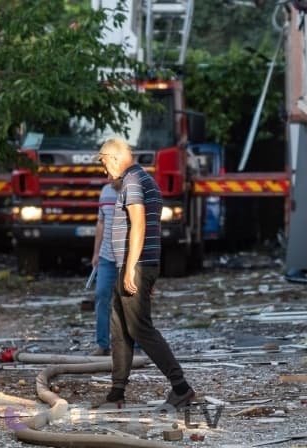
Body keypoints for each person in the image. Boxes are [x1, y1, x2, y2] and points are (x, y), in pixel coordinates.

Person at [95, 137, 195, 409]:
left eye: (104, 164)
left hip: (135, 266)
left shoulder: (133, 181)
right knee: (120, 330)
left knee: (140, 328)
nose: (105, 171)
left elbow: (139, 224)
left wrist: (132, 269)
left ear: (114, 157)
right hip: (135, 265)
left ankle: (181, 387)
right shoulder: (140, 179)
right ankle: (116, 393)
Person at [89, 180, 120, 356]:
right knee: (101, 295)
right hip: (106, 255)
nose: (109, 178)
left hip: (127, 257)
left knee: (131, 301)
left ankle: (136, 346)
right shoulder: (105, 191)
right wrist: (96, 253)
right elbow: (101, 222)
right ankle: (103, 344)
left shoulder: (134, 191)